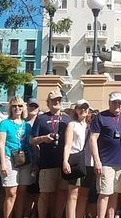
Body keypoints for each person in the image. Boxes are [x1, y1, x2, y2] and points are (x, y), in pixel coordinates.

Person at [90, 92, 121, 218]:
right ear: (109, 103)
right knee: (104, 194)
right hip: (106, 163)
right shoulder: (100, 117)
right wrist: (97, 161)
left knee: (115, 194)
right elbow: (92, 139)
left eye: (119, 102)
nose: (117, 105)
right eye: (114, 102)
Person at [31, 90, 71, 218]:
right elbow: (32, 140)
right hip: (47, 163)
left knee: (62, 193)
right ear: (48, 103)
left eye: (59, 99)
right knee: (45, 194)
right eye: (53, 100)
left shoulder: (67, 119)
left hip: (63, 163)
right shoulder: (41, 118)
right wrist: (43, 138)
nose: (57, 102)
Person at [0, 96, 33, 218]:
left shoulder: (27, 125)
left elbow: (30, 143)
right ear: (10, 108)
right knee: (11, 192)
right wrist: (3, 163)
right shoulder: (5, 123)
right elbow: (1, 144)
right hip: (9, 158)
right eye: (14, 106)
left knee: (22, 193)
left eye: (19, 106)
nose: (17, 108)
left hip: (25, 159)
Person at [63, 99, 91, 218]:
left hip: (88, 161)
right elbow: (68, 144)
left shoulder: (91, 126)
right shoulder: (72, 124)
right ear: (76, 109)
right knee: (73, 193)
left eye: (85, 108)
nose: (83, 110)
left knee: (84, 194)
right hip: (75, 159)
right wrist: (65, 161)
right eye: (80, 108)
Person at [24, 97, 41, 218]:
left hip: (40, 160)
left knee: (38, 191)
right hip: (25, 160)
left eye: (35, 106)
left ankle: (34, 213)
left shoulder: (42, 120)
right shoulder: (23, 122)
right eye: (31, 106)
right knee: (27, 191)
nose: (33, 108)